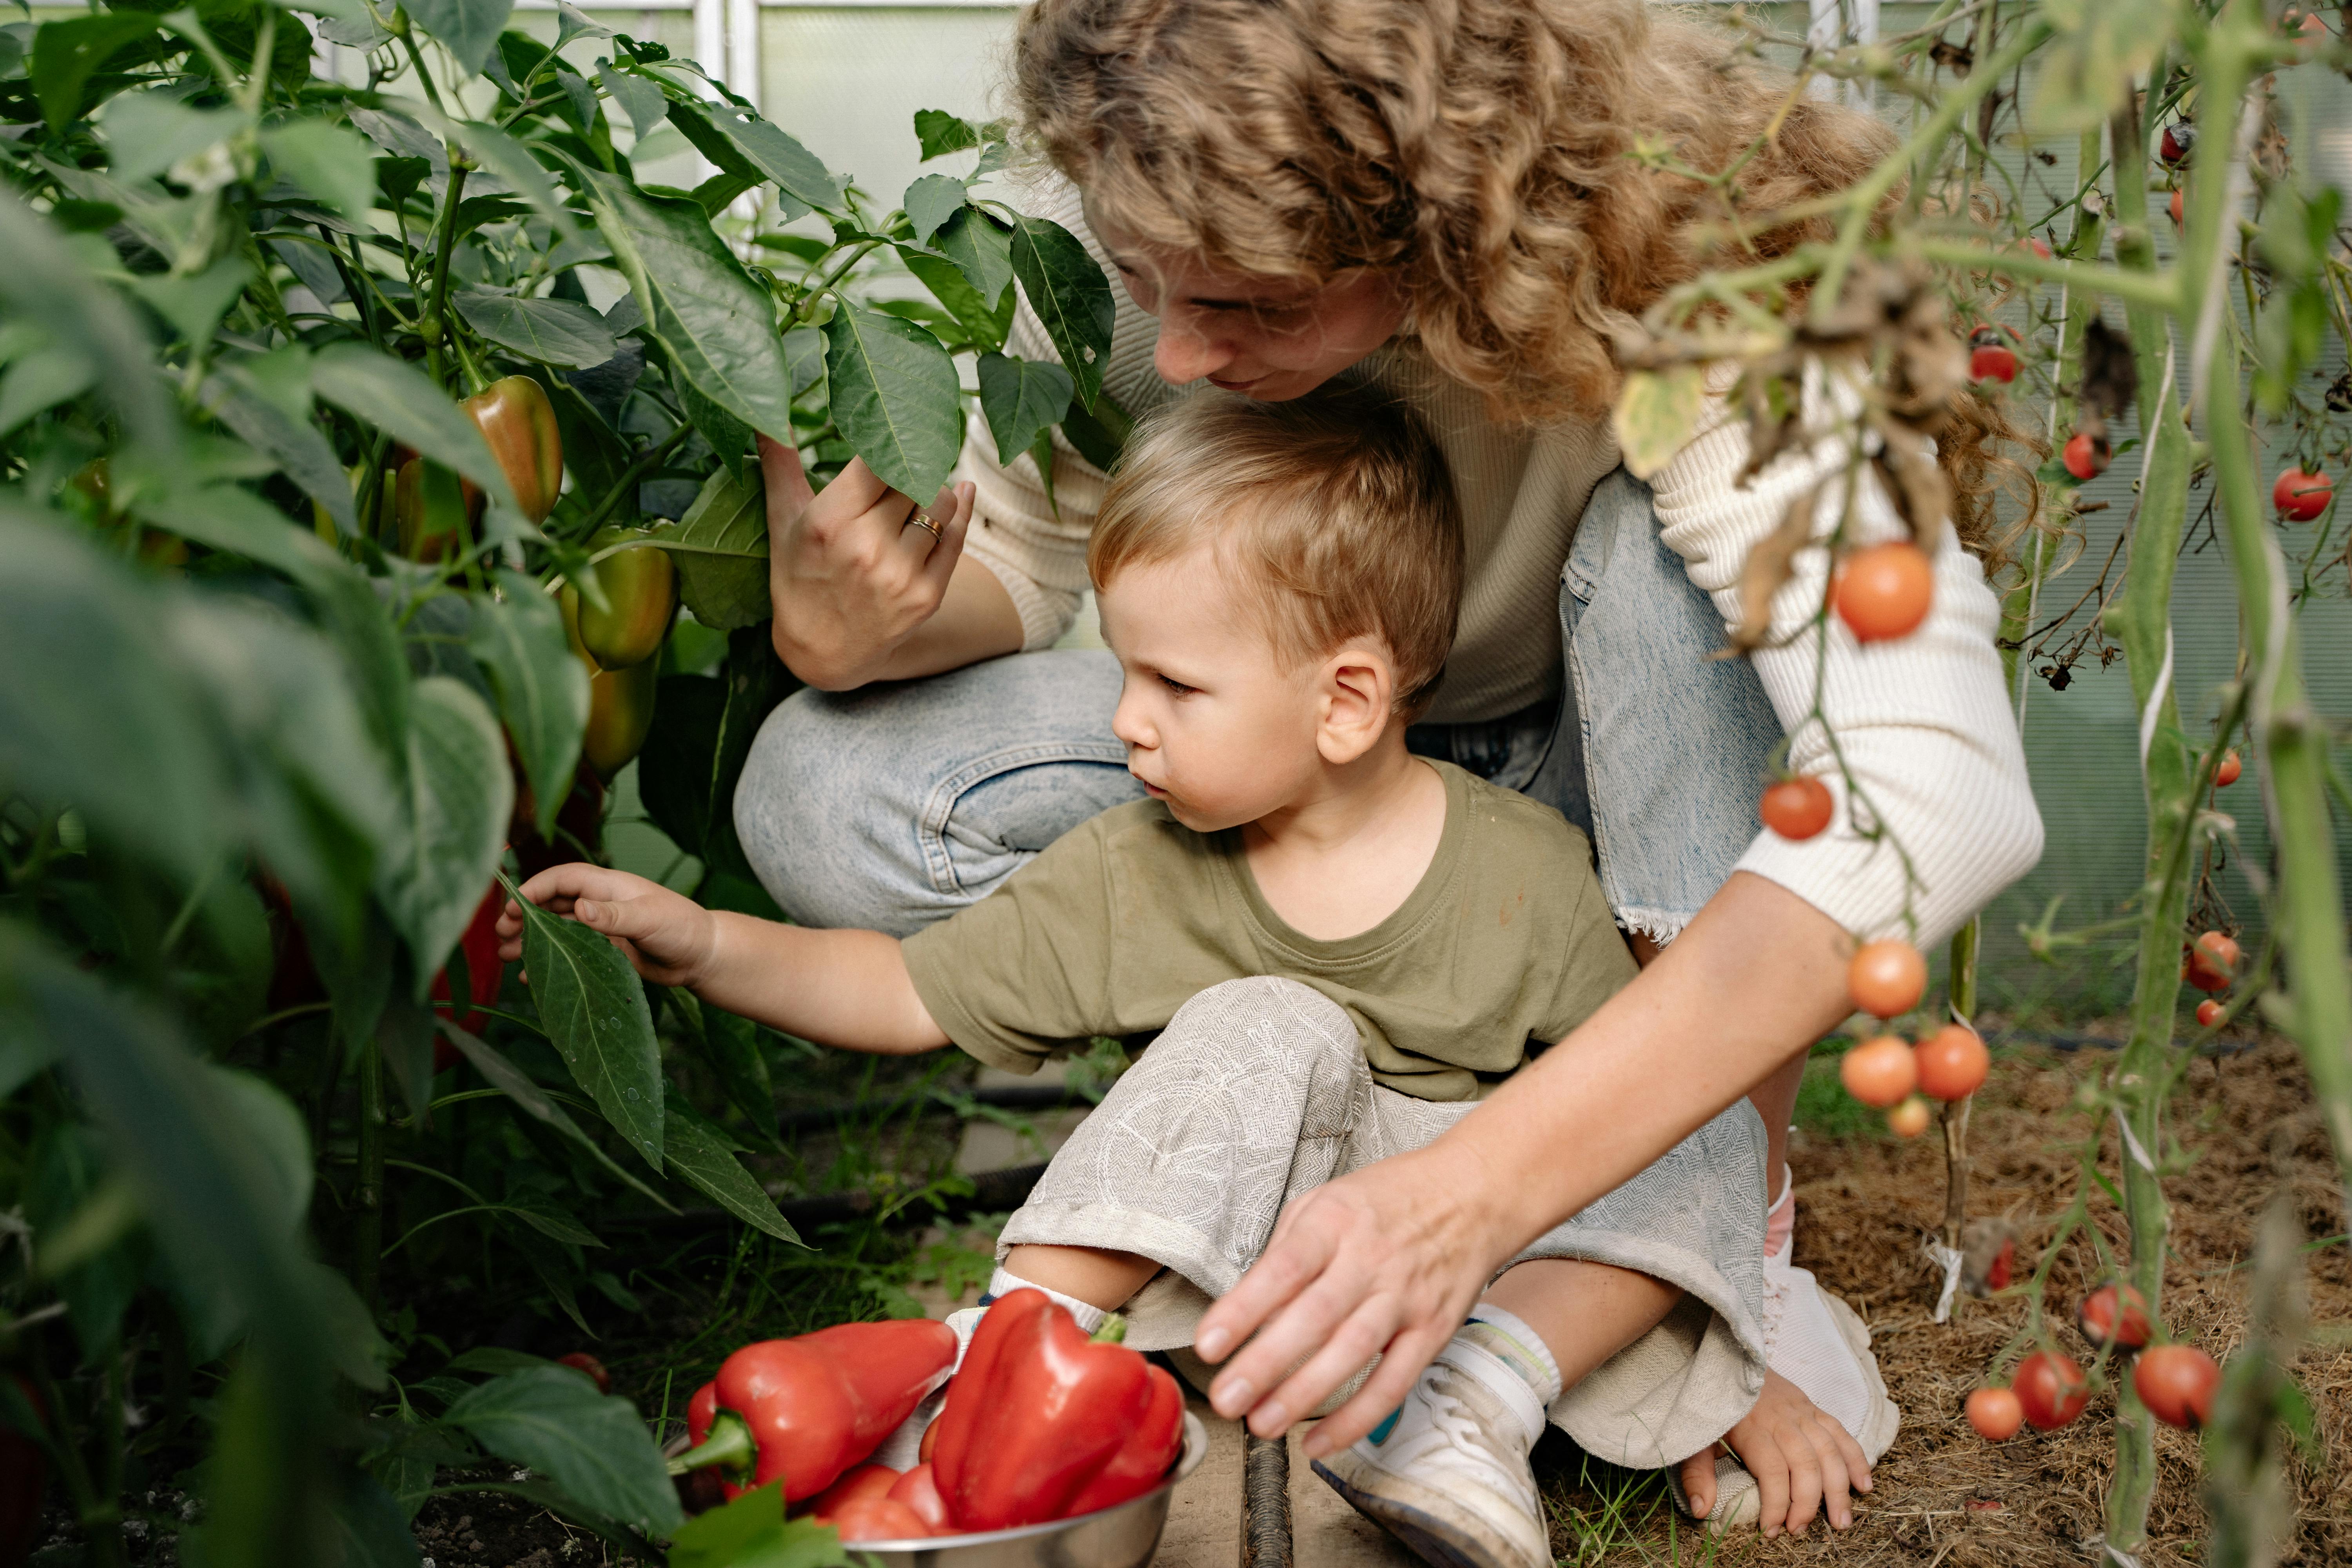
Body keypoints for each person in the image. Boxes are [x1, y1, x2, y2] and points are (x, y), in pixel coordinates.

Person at [733, 0, 2044, 1540]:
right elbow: (1016, 569)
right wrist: (845, 637)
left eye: (1248, 308)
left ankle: (1712, 1246)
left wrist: (1471, 1197)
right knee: (819, 790)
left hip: (1585, 799)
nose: (1173, 352)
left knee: (1669, 581)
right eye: (1138, 278)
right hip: (1303, 774)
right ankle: (1337, 1131)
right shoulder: (1130, 194)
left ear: (1446, 218)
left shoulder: (1687, 280)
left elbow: (1933, 790)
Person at [505, 392, 1796, 1568]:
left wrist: (1734, 1344)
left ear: (1347, 701)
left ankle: (1473, 1408)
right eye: (1122, 669)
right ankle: (1004, 1352)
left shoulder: (1526, 875)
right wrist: (708, 944)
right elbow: (906, 992)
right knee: (1260, 1021)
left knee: (1692, 1108)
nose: (1123, 721)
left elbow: (1646, 1138)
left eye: (1173, 684)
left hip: (1481, 1278)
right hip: (1258, 1256)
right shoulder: (1140, 865)